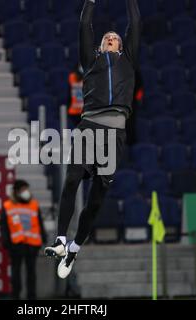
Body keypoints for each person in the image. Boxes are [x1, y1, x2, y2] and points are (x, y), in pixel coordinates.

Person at [44, 0, 141, 279]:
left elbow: (135, 23)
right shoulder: (91, 60)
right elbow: (84, 25)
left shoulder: (129, 60)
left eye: (115, 38)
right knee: (72, 179)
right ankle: (61, 240)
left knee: (97, 199)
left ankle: (75, 246)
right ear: (99, 46)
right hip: (89, 126)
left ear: (121, 46)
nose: (110, 37)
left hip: (115, 134)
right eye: (105, 38)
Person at [0, 180, 47, 300]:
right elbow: (4, 226)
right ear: (16, 192)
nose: (26, 192)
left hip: (32, 244)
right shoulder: (8, 205)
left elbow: (39, 223)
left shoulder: (34, 204)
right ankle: (15, 296)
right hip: (16, 245)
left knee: (31, 274)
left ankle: (31, 297)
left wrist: (44, 237)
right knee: (16, 274)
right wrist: (6, 242)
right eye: (23, 190)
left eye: (27, 189)